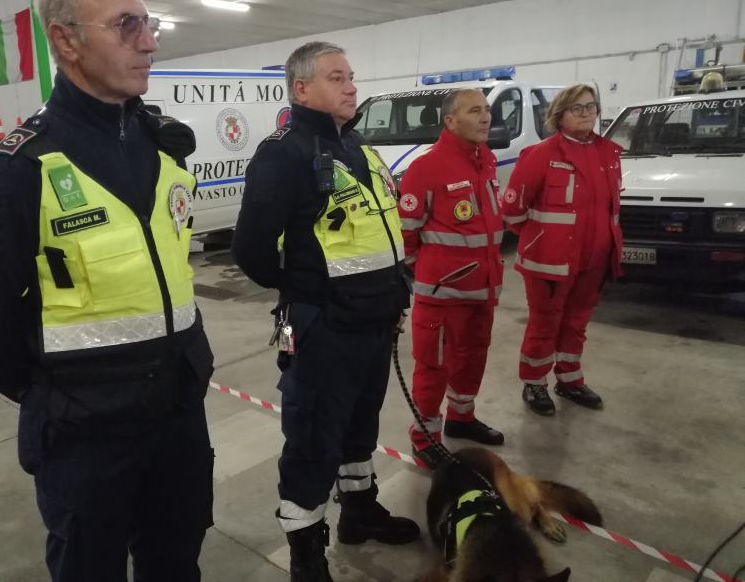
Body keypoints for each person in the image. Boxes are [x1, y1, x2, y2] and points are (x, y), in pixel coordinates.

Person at [0, 0, 215, 582]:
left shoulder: (162, 144)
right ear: (65, 40)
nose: (148, 42)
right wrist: (56, 395)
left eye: (150, 24)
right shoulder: (23, 167)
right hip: (86, 438)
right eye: (127, 25)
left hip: (177, 416)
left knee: (176, 562)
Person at [232, 41, 419, 582]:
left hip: (373, 321)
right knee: (313, 437)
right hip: (321, 327)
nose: (352, 86)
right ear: (302, 88)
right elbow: (250, 249)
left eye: (352, 76)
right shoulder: (283, 152)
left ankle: (358, 512)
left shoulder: (358, 146)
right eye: (337, 77)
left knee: (359, 426)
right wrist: (304, 290)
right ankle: (306, 550)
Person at [398, 89, 506, 470]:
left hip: (484, 288)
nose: (485, 117)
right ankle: (425, 438)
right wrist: (431, 270)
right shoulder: (426, 167)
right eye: (474, 111)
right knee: (433, 366)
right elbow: (405, 234)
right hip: (443, 293)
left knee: (472, 357)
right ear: (450, 121)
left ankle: (462, 418)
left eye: (487, 110)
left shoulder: (486, 160)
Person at [501, 83, 622, 416]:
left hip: (594, 259)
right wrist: (543, 239)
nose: (586, 113)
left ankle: (569, 379)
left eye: (591, 106)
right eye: (577, 108)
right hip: (549, 262)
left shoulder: (608, 154)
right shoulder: (541, 155)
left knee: (576, 323)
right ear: (560, 114)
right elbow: (512, 212)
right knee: (545, 323)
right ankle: (535, 383)